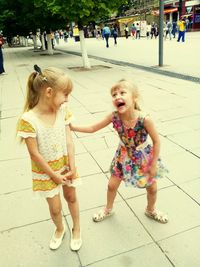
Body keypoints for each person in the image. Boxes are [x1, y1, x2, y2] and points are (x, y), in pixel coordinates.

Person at [70, 79, 169, 224]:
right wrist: (72, 127)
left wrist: (153, 164)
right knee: (111, 185)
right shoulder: (114, 117)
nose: (117, 97)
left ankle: (151, 209)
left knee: (152, 189)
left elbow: (157, 141)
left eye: (122, 93)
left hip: (143, 157)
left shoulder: (145, 119)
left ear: (134, 97)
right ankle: (108, 209)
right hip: (122, 155)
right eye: (114, 95)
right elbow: (92, 128)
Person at [17, 65, 82, 251]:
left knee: (71, 197)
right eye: (65, 94)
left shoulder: (63, 111)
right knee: (55, 208)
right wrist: (53, 175)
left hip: (65, 164)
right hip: (46, 172)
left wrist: (73, 165)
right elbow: (34, 153)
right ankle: (60, 228)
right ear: (49, 92)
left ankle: (76, 228)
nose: (67, 99)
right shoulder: (28, 119)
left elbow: (69, 140)